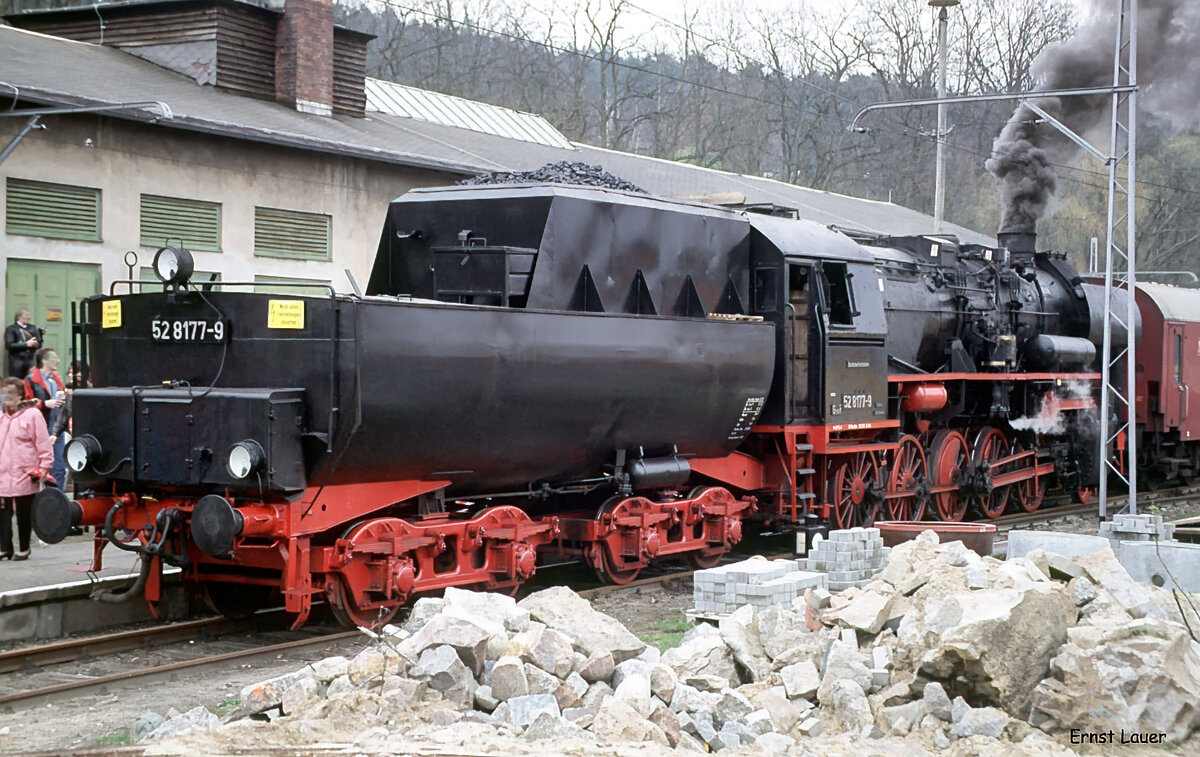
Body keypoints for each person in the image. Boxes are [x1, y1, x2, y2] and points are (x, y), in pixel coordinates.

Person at [0, 377, 54, 560]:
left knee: (23, 513)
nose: (6, 396)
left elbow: (43, 443)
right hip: (3, 472)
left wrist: (45, 467)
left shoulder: (32, 415)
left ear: (20, 394)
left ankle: (24, 548)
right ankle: (4, 547)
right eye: (4, 392)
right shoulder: (1, 417)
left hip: (25, 472)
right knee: (3, 512)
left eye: (10, 393)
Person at [24, 348, 66, 490]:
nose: (58, 361)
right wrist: (43, 403)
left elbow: (63, 397)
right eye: (54, 358)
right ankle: (35, 503)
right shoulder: (30, 380)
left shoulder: (56, 378)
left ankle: (56, 501)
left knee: (59, 467)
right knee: (36, 468)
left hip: (56, 428)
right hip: (39, 429)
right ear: (44, 361)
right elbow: (24, 404)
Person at [4, 308, 40, 380]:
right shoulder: (11, 329)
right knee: (16, 381)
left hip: (30, 360)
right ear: (19, 316)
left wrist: (36, 344)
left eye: (29, 315)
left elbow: (39, 341)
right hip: (16, 361)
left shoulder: (32, 328)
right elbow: (9, 345)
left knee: (31, 380)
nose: (29, 317)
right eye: (26, 315)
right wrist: (26, 344)